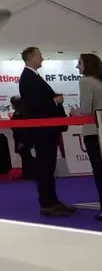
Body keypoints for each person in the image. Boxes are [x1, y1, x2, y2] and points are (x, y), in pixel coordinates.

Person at [17, 46, 74, 217]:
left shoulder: (33, 77)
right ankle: (47, 203)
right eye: (39, 56)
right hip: (42, 131)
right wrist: (55, 102)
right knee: (45, 166)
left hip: (47, 130)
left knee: (49, 166)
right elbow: (34, 105)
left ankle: (53, 201)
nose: (42, 58)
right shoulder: (28, 78)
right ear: (31, 58)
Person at [76, 52, 102, 221]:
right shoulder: (99, 81)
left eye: (80, 63)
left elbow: (86, 110)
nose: (77, 66)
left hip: (93, 132)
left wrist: (75, 113)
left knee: (99, 171)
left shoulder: (85, 81)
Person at [9, 96, 36, 180]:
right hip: (20, 138)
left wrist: (23, 141)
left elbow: (25, 128)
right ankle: (26, 174)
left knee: (26, 157)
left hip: (23, 138)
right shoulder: (20, 111)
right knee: (25, 156)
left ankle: (32, 173)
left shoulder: (21, 112)